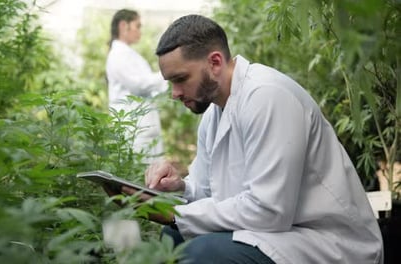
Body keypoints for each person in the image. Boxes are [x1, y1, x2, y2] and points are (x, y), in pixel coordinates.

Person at [117, 14, 383, 263]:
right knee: (172, 238)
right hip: (279, 232)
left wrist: (176, 215)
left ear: (215, 62)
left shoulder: (267, 96)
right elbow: (209, 191)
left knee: (201, 253)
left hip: (326, 240)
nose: (174, 93)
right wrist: (180, 188)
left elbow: (269, 211)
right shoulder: (214, 113)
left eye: (181, 79)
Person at [105, 9, 168, 163]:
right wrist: (166, 73)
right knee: (138, 178)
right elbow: (139, 84)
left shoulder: (128, 54)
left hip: (143, 125)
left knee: (152, 175)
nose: (140, 31)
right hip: (133, 127)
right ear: (123, 26)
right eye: (137, 26)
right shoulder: (118, 55)